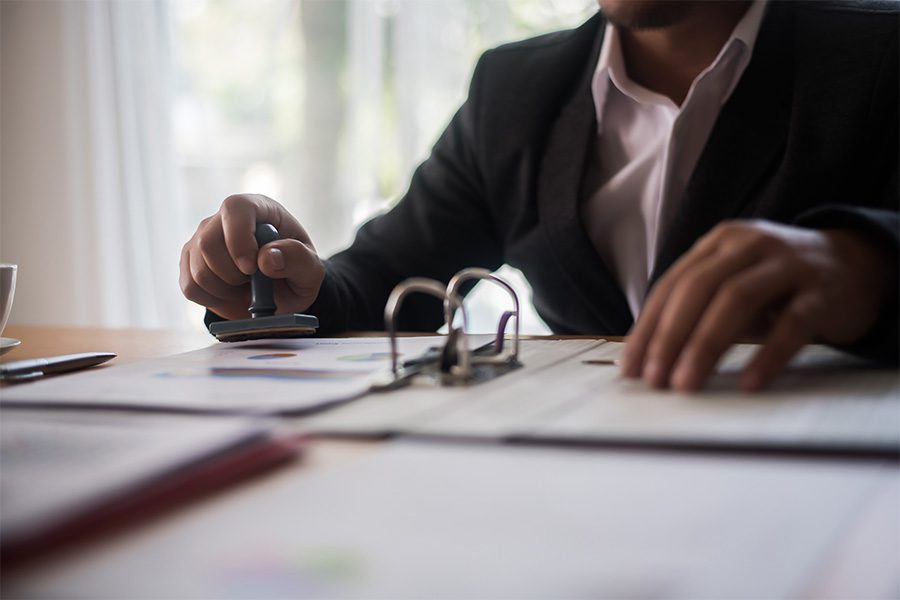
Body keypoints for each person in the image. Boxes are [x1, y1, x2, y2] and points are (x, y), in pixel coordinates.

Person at [180, 0, 899, 392]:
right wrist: (289, 284)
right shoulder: (515, 89)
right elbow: (385, 276)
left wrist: (873, 267)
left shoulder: (878, 52)